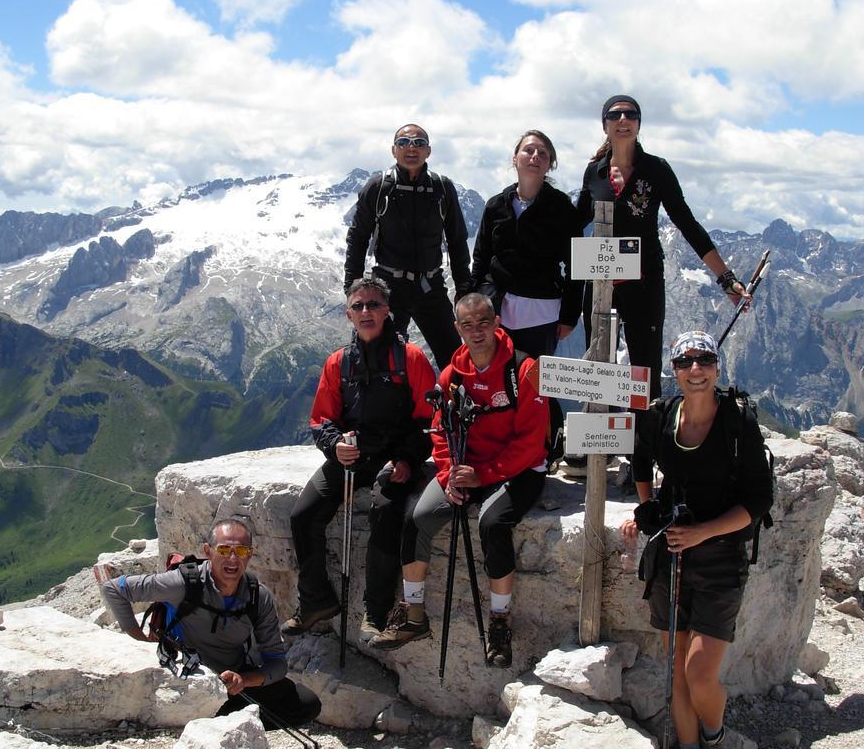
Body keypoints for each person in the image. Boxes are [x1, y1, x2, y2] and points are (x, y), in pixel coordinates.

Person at [370, 293, 549, 667]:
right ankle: (413, 616)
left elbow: (531, 442)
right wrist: (451, 475)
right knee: (417, 518)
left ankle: (499, 621)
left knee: (492, 522)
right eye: (467, 325)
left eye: (483, 322)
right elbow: (439, 430)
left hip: (518, 469)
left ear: (497, 323)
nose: (477, 331)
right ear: (457, 329)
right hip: (465, 468)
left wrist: (481, 474)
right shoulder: (452, 375)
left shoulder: (525, 370)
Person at [621, 330, 773, 748]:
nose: (695, 369)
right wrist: (647, 507)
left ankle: (715, 735)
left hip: (722, 559)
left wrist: (703, 532)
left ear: (717, 367)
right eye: (685, 362)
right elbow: (640, 458)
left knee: (698, 674)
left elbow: (760, 498)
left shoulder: (737, 421)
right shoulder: (663, 414)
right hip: (673, 557)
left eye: (704, 360)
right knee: (677, 673)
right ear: (674, 371)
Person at [282, 276, 436, 643]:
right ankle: (316, 600)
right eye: (358, 306)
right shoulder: (338, 363)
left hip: (394, 459)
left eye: (373, 305)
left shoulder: (410, 359)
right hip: (350, 456)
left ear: (387, 311)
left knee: (386, 513)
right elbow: (322, 419)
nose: (366, 311)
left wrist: (407, 460)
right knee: (303, 515)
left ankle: (377, 611)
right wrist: (335, 445)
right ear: (349, 314)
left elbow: (430, 421)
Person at [577, 95, 750, 400]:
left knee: (645, 372)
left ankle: (642, 448)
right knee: (598, 370)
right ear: (604, 125)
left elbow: (687, 224)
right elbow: (574, 224)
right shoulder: (595, 171)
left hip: (644, 281)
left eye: (630, 114)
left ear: (639, 123)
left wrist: (726, 278)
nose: (622, 120)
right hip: (600, 282)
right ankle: (599, 444)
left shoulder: (656, 169)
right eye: (614, 115)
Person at [100, 519, 321, 729]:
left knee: (306, 703)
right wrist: (138, 637)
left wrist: (243, 680)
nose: (233, 559)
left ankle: (226, 724)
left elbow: (277, 663)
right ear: (208, 551)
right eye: (224, 550)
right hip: (187, 681)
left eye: (241, 551)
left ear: (250, 554)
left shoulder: (257, 597)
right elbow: (114, 588)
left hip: (232, 683)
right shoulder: (183, 584)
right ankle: (222, 724)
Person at [343, 123, 472, 370]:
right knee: (377, 360)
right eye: (403, 143)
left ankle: (453, 408)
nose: (411, 148)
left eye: (419, 143)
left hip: (429, 287)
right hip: (387, 289)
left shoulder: (442, 188)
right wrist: (353, 289)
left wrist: (464, 287)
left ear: (429, 151)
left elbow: (457, 240)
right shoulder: (378, 187)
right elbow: (357, 238)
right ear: (394, 150)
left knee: (455, 361)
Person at [469, 129, 583, 359]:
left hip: (541, 313)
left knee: (535, 384)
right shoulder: (495, 205)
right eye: (528, 150)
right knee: (495, 381)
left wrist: (569, 316)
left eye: (543, 153)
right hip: (496, 309)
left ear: (549, 164)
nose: (535, 156)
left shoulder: (562, 209)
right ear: (515, 158)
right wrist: (473, 304)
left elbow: (577, 266)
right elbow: (481, 258)